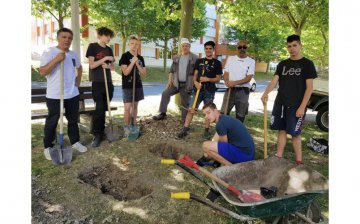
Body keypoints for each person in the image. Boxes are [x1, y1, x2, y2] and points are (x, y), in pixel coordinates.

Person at [261, 34, 317, 165]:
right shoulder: (283, 64)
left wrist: (302, 107)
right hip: (281, 103)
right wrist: (265, 93)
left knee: (295, 133)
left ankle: (299, 161)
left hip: (296, 105)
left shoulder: (307, 64)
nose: (291, 48)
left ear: (300, 45)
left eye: (294, 45)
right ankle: (278, 158)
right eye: (289, 46)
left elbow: (309, 88)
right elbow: (274, 81)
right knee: (282, 130)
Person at [39, 28, 87, 160]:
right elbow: (42, 72)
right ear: (58, 38)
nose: (67, 40)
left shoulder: (73, 54)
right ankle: (48, 146)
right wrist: (56, 60)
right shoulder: (49, 52)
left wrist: (78, 80)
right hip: (55, 95)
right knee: (52, 121)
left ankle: (75, 142)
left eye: (69, 38)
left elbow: (80, 67)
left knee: (73, 120)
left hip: (72, 94)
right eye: (64, 37)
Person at [176, 41, 222, 140]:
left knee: (208, 111)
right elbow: (195, 74)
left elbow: (218, 78)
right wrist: (196, 83)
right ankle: (185, 129)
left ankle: (206, 130)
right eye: (207, 48)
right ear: (204, 49)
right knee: (191, 109)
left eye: (210, 48)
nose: (208, 50)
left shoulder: (217, 63)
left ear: (213, 50)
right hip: (197, 90)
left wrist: (208, 79)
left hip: (209, 90)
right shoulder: (199, 61)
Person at [153, 38, 198, 123]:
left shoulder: (194, 58)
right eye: (183, 46)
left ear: (189, 47)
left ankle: (184, 119)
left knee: (184, 102)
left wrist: (195, 82)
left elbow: (197, 72)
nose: (185, 47)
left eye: (186, 46)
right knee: (165, 93)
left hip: (187, 84)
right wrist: (170, 81)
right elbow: (171, 71)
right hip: (175, 83)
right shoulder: (176, 57)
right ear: (181, 47)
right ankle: (162, 113)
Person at [85, 27, 115, 147]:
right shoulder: (92, 47)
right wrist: (105, 58)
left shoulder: (109, 49)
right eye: (106, 35)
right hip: (97, 82)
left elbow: (112, 67)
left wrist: (108, 66)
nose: (108, 38)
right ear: (99, 35)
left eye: (109, 36)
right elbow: (92, 65)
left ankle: (96, 128)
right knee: (100, 108)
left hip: (108, 82)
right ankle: (98, 134)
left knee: (102, 108)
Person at [220, 40, 255, 123]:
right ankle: (223, 133)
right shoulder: (230, 59)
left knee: (240, 115)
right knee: (224, 112)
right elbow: (226, 73)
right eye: (240, 47)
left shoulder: (251, 61)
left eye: (244, 47)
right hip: (230, 89)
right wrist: (226, 81)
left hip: (243, 91)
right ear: (237, 48)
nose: (242, 49)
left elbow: (248, 78)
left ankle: (237, 133)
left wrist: (234, 82)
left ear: (247, 48)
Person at [119, 36, 147, 130]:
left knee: (135, 106)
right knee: (127, 107)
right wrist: (132, 62)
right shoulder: (125, 56)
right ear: (129, 44)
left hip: (137, 85)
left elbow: (143, 73)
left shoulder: (141, 58)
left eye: (136, 44)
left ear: (138, 45)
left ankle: (134, 124)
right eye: (132, 43)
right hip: (127, 85)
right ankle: (126, 127)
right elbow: (125, 72)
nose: (134, 46)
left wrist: (137, 64)